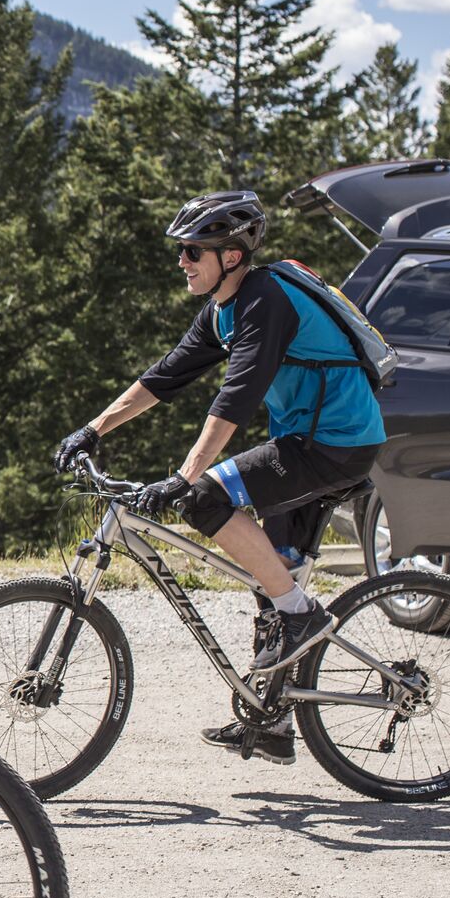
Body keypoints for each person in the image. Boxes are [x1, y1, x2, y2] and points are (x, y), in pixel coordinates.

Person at [53, 190, 386, 765]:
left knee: (206, 499)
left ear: (231, 256)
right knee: (272, 575)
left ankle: (303, 618)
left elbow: (238, 396)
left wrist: (186, 476)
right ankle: (275, 720)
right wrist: (92, 429)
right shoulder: (224, 309)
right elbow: (167, 376)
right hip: (302, 441)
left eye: (191, 251)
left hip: (337, 444)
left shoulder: (266, 300)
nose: (181, 261)